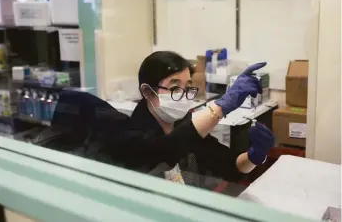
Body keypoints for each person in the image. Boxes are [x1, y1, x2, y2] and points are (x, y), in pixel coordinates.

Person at [105, 51, 275, 186]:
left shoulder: (183, 123)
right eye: (174, 87)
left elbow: (228, 165)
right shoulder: (132, 135)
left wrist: (254, 157)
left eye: (187, 87)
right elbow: (163, 152)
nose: (184, 95)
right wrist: (220, 107)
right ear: (148, 92)